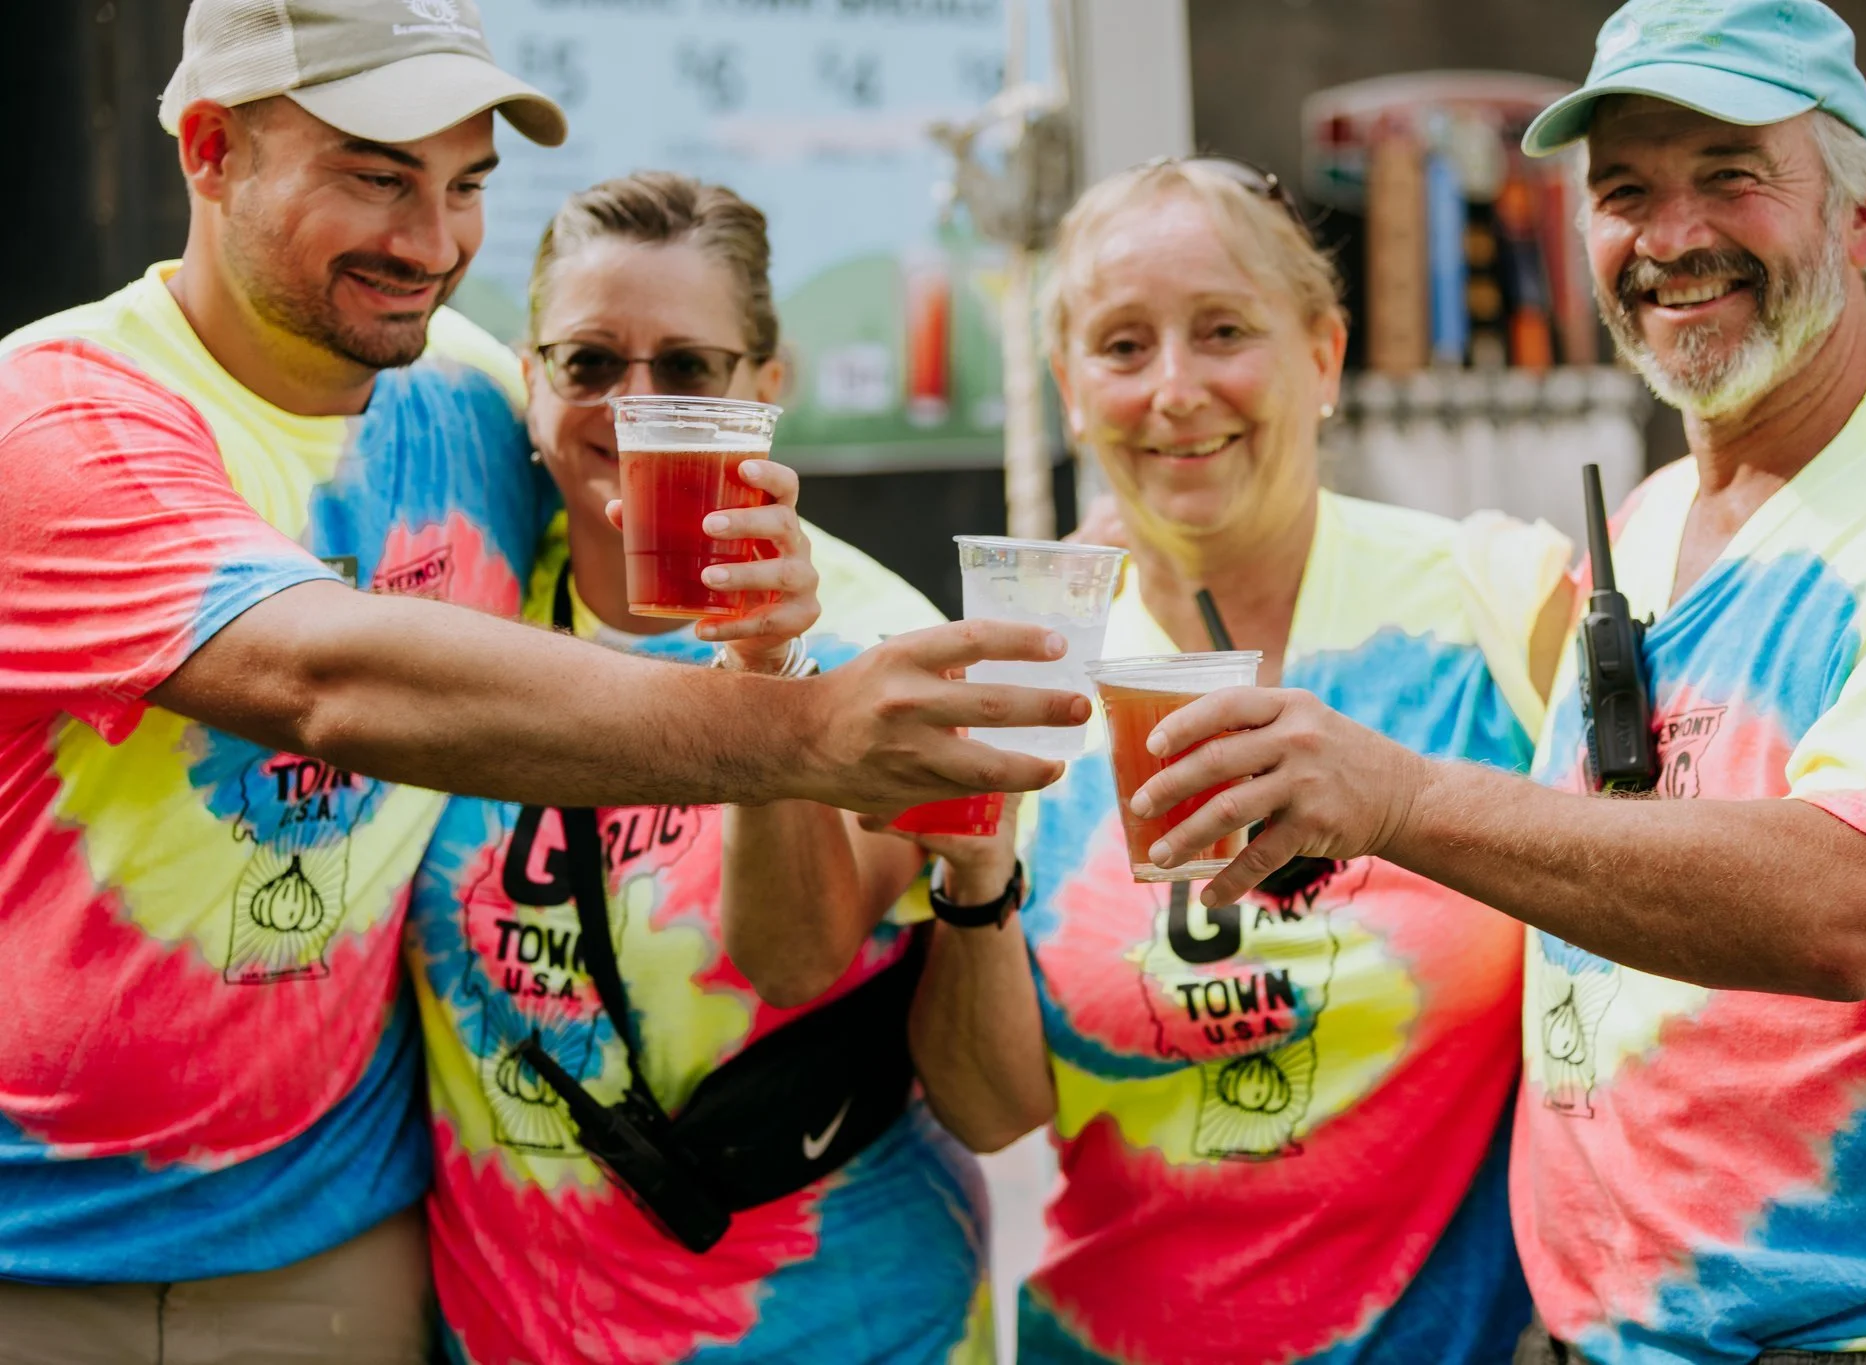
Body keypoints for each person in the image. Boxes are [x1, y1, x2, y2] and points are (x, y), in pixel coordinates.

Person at [0, 2, 1079, 1358]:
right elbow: (323, 675)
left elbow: (824, 966)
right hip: (35, 1242)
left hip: (348, 1240)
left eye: (464, 188)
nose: (431, 240)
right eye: (376, 175)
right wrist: (800, 725)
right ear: (212, 151)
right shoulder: (64, 417)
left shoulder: (456, 398)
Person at [1133, 2, 1866, 1361]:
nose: (1672, 235)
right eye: (1626, 190)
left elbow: (1843, 906)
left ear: (1862, 218)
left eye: (1732, 175)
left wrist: (1393, 797)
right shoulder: (1654, 523)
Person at [900, 158, 1578, 1363]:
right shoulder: (1033, 666)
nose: (1173, 391)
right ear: (1067, 388)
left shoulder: (1491, 607)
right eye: (1120, 346)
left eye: (1223, 332)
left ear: (1322, 356)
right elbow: (995, 1112)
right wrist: (969, 879)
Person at [411, 171, 993, 1365]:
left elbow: (791, 961)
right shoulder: (460, 612)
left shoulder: (876, 647)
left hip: (835, 1324)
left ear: (763, 392)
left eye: (685, 369)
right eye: (586, 363)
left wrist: (764, 679)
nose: (635, 409)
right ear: (530, 383)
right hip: (517, 1330)